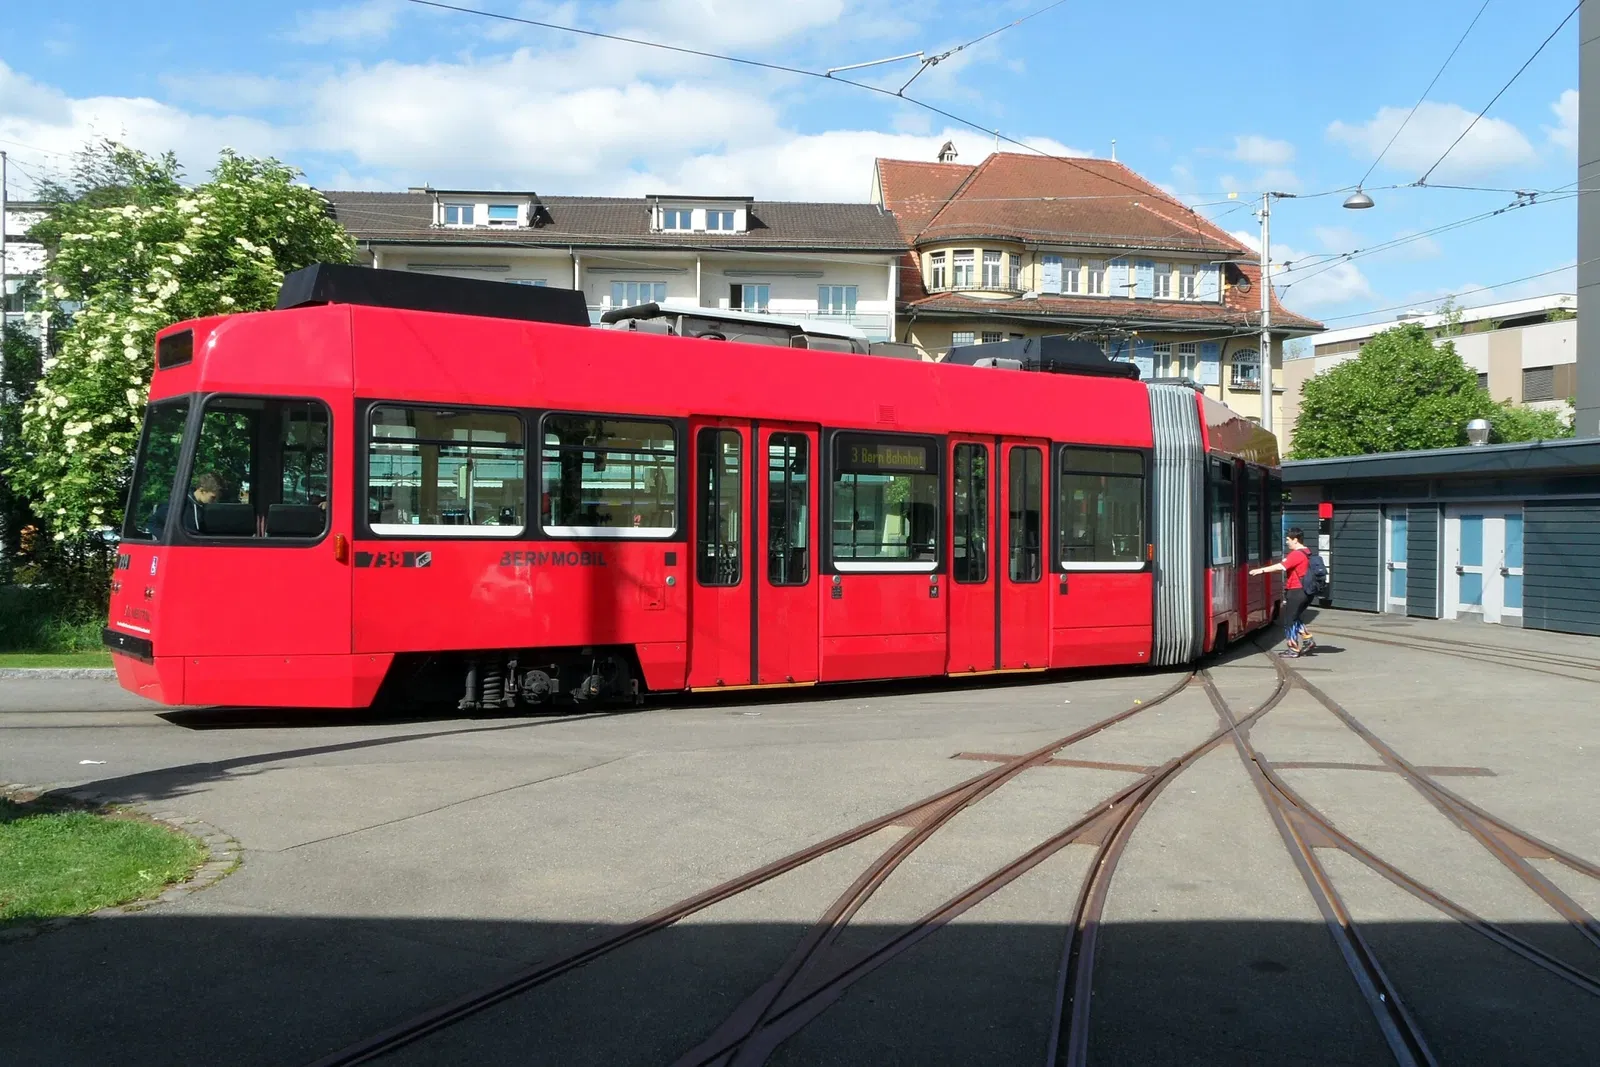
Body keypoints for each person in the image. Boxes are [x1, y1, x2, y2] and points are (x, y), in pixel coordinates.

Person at [1250, 527, 1314, 657]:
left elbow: (1281, 566)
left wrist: (1260, 570)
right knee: (1294, 617)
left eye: (1288, 539)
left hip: (1296, 590)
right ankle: (1308, 639)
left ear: (1295, 540)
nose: (1287, 542)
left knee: (1289, 621)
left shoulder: (1296, 554)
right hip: (1305, 591)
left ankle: (1293, 649)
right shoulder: (1307, 552)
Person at [149, 472, 222, 535]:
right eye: (213, 497)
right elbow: (153, 523)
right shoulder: (179, 504)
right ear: (202, 490)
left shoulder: (202, 507)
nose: (215, 501)